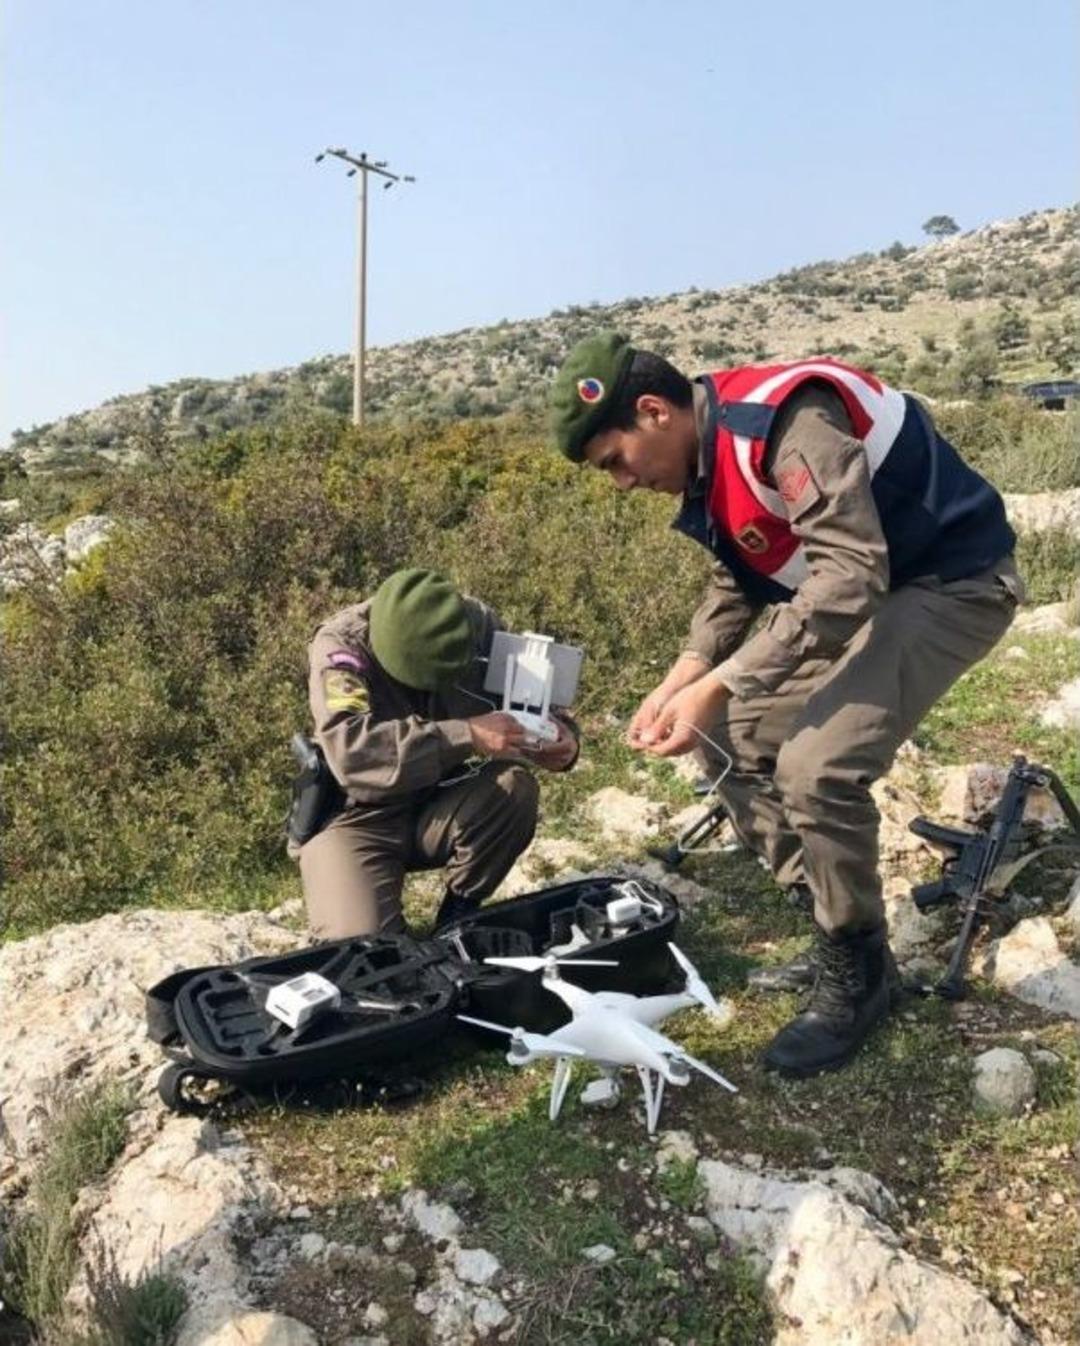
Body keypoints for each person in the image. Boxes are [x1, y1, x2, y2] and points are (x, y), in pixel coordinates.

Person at [549, 334, 1022, 1077]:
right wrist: (688, 672)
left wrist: (722, 682)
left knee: (814, 766)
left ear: (653, 412)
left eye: (615, 460)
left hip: (952, 582)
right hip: (876, 595)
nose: (621, 483)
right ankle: (846, 938)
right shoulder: (710, 460)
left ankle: (857, 980)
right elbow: (742, 571)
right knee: (725, 737)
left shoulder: (782, 423)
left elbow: (849, 576)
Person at [293, 567, 578, 939]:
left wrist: (564, 740)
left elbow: (533, 701)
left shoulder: (473, 626)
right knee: (362, 947)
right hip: (355, 816)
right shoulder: (343, 646)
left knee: (514, 788)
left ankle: (458, 916)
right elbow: (353, 755)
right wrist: (467, 734)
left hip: (439, 798)